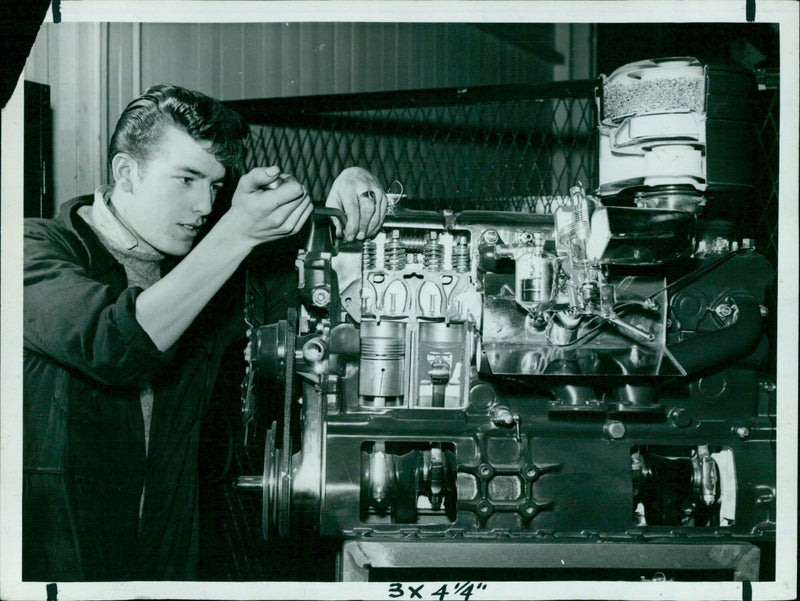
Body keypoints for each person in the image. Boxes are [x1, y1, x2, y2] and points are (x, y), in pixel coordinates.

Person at [22, 83, 387, 581]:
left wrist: (350, 200)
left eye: (215, 186)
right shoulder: (33, 249)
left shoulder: (214, 271)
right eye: (187, 178)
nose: (203, 204)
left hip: (168, 561)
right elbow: (114, 343)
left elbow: (320, 301)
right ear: (125, 171)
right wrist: (235, 232)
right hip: (56, 563)